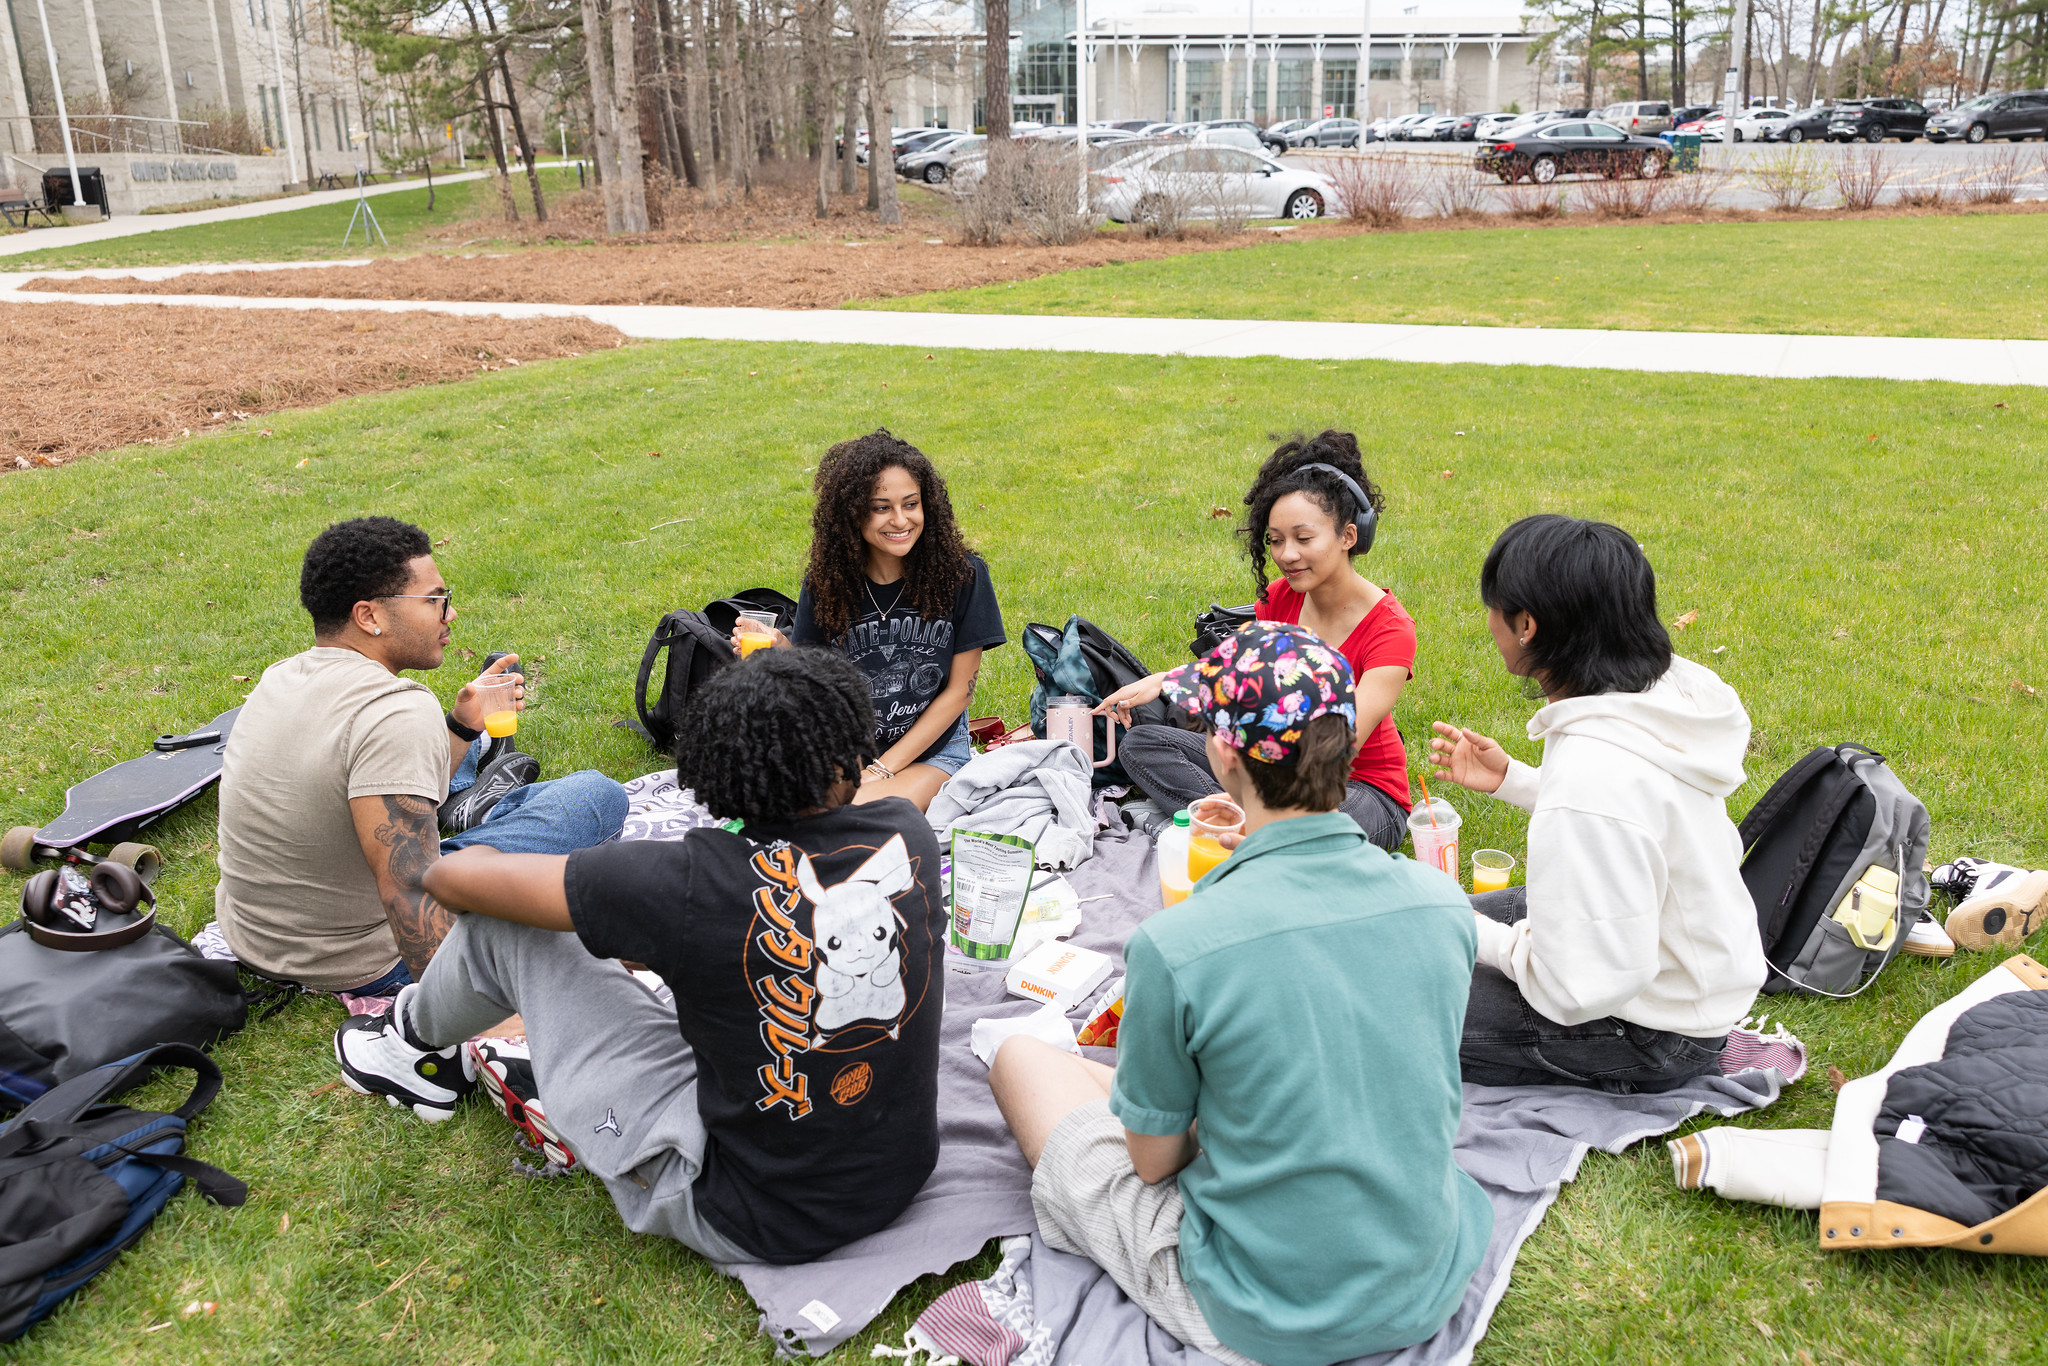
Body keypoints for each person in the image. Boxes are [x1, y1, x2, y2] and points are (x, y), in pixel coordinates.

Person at [333, 647, 948, 1266]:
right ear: (851, 753)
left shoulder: (676, 881)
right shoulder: (906, 833)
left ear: (712, 773)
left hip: (750, 1214)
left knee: (507, 926)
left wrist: (575, 890)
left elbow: (448, 878)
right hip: (898, 1177)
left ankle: (408, 1047)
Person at [989, 624, 1489, 1366]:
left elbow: (1154, 1165)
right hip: (1425, 1274)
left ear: (1223, 755)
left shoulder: (1177, 945)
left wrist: (1208, 1116)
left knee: (1018, 1057)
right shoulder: (1443, 904)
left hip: (1261, 1306)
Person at [214, 517, 627, 996]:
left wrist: (459, 727)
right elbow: (409, 887)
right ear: (370, 617)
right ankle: (485, 804)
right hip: (359, 953)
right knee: (594, 796)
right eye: (435, 600)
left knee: (432, 749)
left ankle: (474, 793)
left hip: (255, 938)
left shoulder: (280, 676)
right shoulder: (397, 711)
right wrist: (451, 1011)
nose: (450, 615)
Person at [1429, 514, 1767, 1093]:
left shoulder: (1593, 774)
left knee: (1393, 1005)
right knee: (1420, 925)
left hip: (1649, 1033)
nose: (1489, 623)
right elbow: (1632, 820)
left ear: (1527, 624)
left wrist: (1470, 933)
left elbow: (1575, 986)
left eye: (1495, 608)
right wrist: (1514, 779)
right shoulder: (1658, 694)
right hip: (1686, 970)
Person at [1099, 431, 1415, 850]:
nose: (1286, 554)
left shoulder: (1390, 627)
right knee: (1144, 744)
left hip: (1360, 791)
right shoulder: (1281, 597)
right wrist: (1164, 680)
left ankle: (1227, 825)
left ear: (1349, 537)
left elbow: (1342, 739)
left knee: (1312, 832)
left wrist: (1253, 784)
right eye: (1276, 540)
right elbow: (1239, 671)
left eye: (1303, 539)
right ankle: (1249, 827)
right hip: (1271, 771)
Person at [755, 430, 1005, 812]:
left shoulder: (963, 576)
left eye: (911, 504)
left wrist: (883, 768)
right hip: (847, 747)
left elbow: (960, 692)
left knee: (860, 814)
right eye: (881, 507)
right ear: (853, 513)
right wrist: (779, 648)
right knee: (791, 806)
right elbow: (815, 680)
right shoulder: (828, 582)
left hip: (932, 754)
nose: (900, 520)